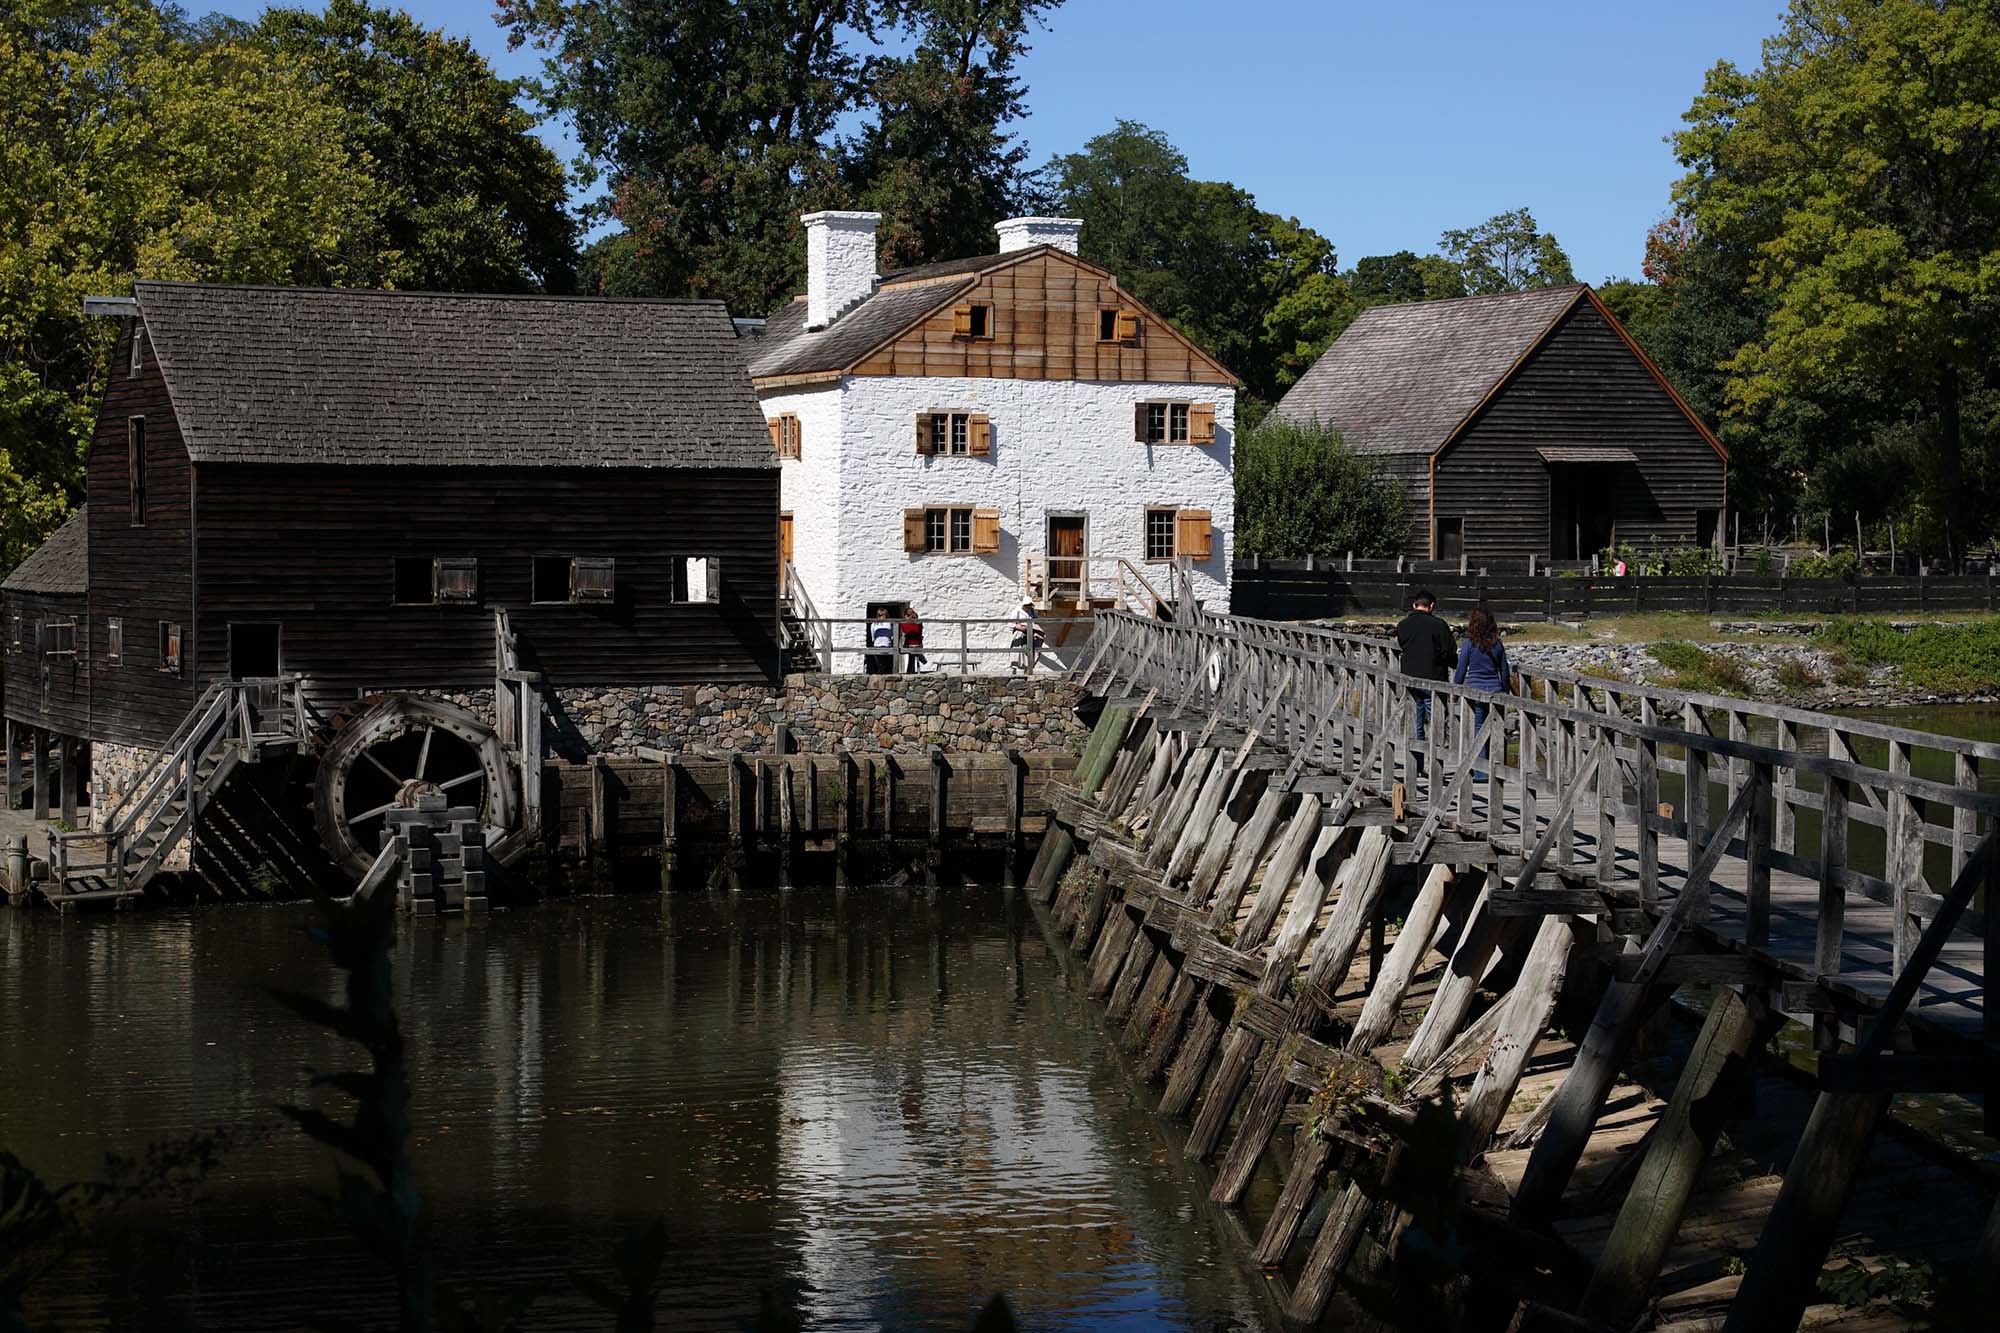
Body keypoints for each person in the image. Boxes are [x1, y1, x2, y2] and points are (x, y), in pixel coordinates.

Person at [1393, 590, 1456, 776]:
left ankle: (1417, 766)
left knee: (1416, 724)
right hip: (1434, 679)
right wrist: (1455, 666)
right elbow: (1449, 652)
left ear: (1414, 605)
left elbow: (1403, 645)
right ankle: (1435, 767)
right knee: (1436, 723)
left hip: (1410, 679)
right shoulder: (1439, 625)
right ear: (1432, 606)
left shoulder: (1403, 625)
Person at [1453, 606, 1514, 782]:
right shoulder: (1497, 643)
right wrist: (1506, 691)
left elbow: (1461, 670)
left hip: (1475, 690)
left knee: (1478, 730)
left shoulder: (1469, 644)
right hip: (1495, 690)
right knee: (1496, 730)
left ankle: (1481, 773)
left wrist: (1455, 692)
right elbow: (1504, 670)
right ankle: (1498, 769)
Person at [1011, 599, 1045, 675]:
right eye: (1027, 606)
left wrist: (1034, 626)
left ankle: (1029, 670)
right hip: (1022, 634)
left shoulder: (1031, 611)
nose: (1028, 607)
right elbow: (1010, 624)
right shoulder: (1017, 611)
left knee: (1034, 652)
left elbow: (1035, 620)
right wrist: (1019, 626)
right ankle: (1025, 670)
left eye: (1029, 605)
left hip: (1031, 633)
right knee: (1025, 651)